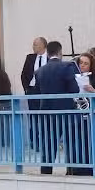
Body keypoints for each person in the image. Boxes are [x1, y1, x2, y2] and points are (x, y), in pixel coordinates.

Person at [34, 41, 80, 175]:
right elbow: (74, 89)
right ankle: (71, 170)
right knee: (71, 143)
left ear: (47, 53)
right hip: (66, 111)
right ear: (60, 53)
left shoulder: (39, 71)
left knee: (48, 143)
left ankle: (46, 170)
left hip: (47, 112)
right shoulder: (67, 66)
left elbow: (36, 92)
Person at [21, 37, 48, 152]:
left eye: (35, 45)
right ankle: (35, 142)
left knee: (46, 117)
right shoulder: (30, 58)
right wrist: (27, 89)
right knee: (34, 117)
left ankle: (46, 141)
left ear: (43, 45)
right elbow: (23, 75)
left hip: (46, 91)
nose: (33, 47)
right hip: (33, 90)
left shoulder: (50, 57)